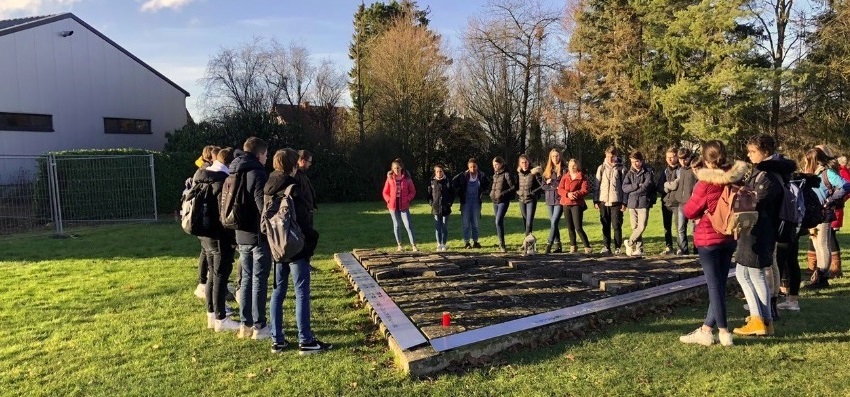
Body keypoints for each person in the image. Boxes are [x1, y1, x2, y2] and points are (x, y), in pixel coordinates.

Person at [679, 140, 746, 347]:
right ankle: (706, 330)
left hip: (709, 237)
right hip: (729, 235)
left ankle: (724, 332)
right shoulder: (736, 178)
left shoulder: (705, 183)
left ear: (707, 160)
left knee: (714, 286)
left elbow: (689, 211)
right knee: (720, 283)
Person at [266, 148, 332, 355]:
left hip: (276, 245)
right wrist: (309, 242)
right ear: (293, 166)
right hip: (295, 245)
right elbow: (304, 220)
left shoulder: (267, 186)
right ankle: (306, 339)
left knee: (278, 292)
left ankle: (277, 339)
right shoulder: (293, 188)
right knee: (301, 292)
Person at [733, 134, 794, 337]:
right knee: (753, 274)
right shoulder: (774, 171)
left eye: (753, 151)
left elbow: (759, 202)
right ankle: (765, 319)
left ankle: (758, 318)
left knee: (747, 273)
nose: (749, 155)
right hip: (763, 230)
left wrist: (741, 195)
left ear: (765, 151)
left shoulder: (767, 175)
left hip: (758, 230)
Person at [193, 148, 240, 332]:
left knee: (213, 274)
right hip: (218, 234)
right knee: (220, 275)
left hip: (203, 232)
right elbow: (225, 213)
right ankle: (221, 318)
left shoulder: (202, 175)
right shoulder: (221, 181)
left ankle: (212, 314)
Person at [230, 137, 272, 340]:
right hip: (256, 234)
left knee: (245, 280)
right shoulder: (257, 173)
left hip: (240, 233)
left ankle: (244, 324)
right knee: (259, 280)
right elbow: (262, 207)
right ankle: (259, 325)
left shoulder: (234, 170)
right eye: (265, 154)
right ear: (259, 154)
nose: (266, 158)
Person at [802, 147, 850, 288]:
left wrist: (830, 200)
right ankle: (818, 276)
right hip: (813, 213)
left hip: (824, 212)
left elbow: (846, 185)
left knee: (823, 245)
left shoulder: (827, 173)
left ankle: (822, 277)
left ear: (814, 161)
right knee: (817, 244)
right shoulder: (813, 173)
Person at [192, 145, 218, 299]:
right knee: (206, 251)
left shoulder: (201, 170)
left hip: (201, 215)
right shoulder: (206, 172)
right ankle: (203, 283)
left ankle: (203, 283)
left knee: (205, 250)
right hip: (204, 215)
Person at [621, 151, 654, 257]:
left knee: (641, 226)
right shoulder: (629, 173)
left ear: (641, 161)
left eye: (637, 161)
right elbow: (625, 188)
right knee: (635, 227)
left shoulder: (647, 172)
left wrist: (634, 190)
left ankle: (629, 242)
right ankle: (639, 249)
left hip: (643, 202)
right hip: (632, 204)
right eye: (633, 162)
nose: (635, 164)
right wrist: (636, 185)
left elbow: (646, 187)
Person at [665, 148, 697, 255]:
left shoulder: (694, 169)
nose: (683, 162)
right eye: (680, 159)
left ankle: (696, 250)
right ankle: (683, 250)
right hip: (681, 202)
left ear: (689, 158)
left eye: (685, 159)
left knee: (694, 230)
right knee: (680, 228)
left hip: (692, 203)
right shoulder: (680, 170)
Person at [594, 146, 626, 255]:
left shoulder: (621, 168)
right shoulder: (601, 168)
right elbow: (596, 185)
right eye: (608, 156)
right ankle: (606, 246)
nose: (610, 159)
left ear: (616, 156)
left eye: (612, 157)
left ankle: (617, 247)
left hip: (616, 201)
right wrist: (596, 200)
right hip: (603, 200)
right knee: (605, 224)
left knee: (616, 225)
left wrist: (624, 202)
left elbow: (625, 187)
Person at [382, 159, 418, 252]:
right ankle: (399, 245)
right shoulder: (389, 178)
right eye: (394, 168)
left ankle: (414, 245)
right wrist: (388, 200)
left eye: (398, 168)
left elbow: (413, 191)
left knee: (408, 225)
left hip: (404, 206)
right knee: (397, 225)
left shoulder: (407, 179)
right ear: (392, 169)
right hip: (393, 206)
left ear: (401, 167)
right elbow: (385, 192)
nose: (396, 170)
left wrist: (408, 199)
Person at [453, 158, 490, 249]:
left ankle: (476, 241)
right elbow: (453, 182)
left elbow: (487, 183)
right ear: (468, 167)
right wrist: (459, 192)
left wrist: (483, 192)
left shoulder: (481, 175)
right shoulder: (463, 176)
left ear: (477, 166)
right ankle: (467, 242)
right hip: (465, 203)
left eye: (474, 166)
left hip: (476, 203)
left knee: (475, 223)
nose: (473, 169)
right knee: (466, 223)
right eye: (471, 167)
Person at [558, 158, 592, 254]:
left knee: (578, 227)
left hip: (577, 204)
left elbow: (585, 190)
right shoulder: (565, 177)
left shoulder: (582, 177)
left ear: (577, 166)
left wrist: (575, 194)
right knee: (570, 227)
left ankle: (587, 246)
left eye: (574, 166)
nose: (572, 168)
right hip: (566, 203)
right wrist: (567, 194)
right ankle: (573, 246)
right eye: (570, 166)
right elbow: (560, 189)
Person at [541, 149, 567, 253]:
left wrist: (551, 184)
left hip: (559, 199)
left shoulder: (564, 170)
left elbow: (562, 185)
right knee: (553, 223)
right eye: (553, 156)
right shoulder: (548, 170)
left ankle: (549, 244)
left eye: (556, 156)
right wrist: (552, 185)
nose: (555, 158)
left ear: (560, 156)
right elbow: (543, 186)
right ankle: (558, 245)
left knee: (554, 221)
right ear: (550, 158)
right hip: (549, 200)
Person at [490, 156, 516, 252]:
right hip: (495, 201)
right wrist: (491, 194)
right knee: (498, 223)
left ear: (501, 164)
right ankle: (501, 242)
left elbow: (513, 187)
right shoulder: (495, 175)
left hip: (503, 201)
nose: (495, 166)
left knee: (498, 221)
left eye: (497, 164)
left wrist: (503, 193)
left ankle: (502, 245)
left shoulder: (506, 174)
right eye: (494, 165)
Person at [657, 147, 680, 255]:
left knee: (679, 227)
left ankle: (680, 247)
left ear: (676, 157)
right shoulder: (664, 171)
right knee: (667, 227)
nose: (670, 159)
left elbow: (677, 185)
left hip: (677, 202)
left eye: (672, 157)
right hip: (666, 202)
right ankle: (668, 246)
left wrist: (667, 185)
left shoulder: (680, 170)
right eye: (668, 157)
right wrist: (666, 186)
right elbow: (659, 186)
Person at [428, 164, 455, 252]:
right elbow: (428, 195)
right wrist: (431, 203)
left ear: (443, 171)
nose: (439, 173)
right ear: (435, 172)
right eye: (437, 171)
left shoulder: (447, 181)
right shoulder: (432, 182)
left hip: (445, 208)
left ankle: (444, 243)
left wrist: (449, 203)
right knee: (438, 226)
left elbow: (452, 193)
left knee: (444, 227)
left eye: (441, 171)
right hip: (436, 208)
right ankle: (438, 243)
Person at [516, 154, 542, 236]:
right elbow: (515, 185)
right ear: (520, 163)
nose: (524, 164)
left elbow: (542, 185)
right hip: (521, 200)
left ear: (529, 162)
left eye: (526, 162)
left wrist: (533, 192)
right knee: (525, 221)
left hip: (531, 200)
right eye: (522, 162)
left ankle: (527, 242)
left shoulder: (534, 172)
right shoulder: (519, 173)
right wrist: (518, 192)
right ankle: (527, 239)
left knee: (529, 221)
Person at [295, 150, 318, 225]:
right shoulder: (297, 175)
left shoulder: (302, 174)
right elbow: (299, 195)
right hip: (303, 213)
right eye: (309, 161)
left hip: (307, 212)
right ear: (303, 161)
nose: (310, 164)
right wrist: (307, 207)